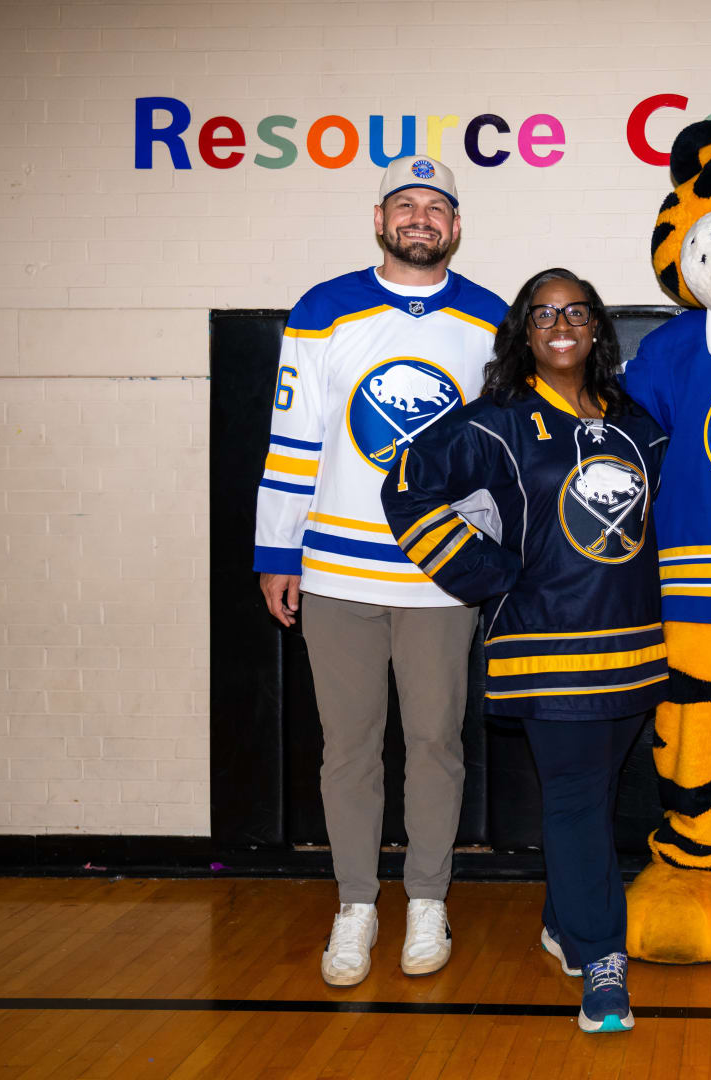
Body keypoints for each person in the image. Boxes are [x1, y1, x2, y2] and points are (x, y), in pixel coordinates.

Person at [381, 269, 667, 1034]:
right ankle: (602, 959)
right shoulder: (495, 420)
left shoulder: (635, 422)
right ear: (524, 332)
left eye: (576, 312)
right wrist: (485, 572)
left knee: (594, 799)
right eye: (543, 314)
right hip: (547, 645)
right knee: (573, 799)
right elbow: (407, 488)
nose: (561, 325)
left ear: (597, 327)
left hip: (634, 645)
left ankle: (564, 923)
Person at [252, 155, 505, 988]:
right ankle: (356, 903)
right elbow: (295, 439)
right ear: (379, 219)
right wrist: (276, 552)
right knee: (349, 748)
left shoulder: (491, 318)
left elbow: (497, 458)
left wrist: (487, 556)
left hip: (438, 574)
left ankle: (427, 898)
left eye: (435, 206)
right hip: (335, 572)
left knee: (435, 743)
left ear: (455, 226)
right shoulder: (323, 309)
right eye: (405, 204)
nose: (419, 217)